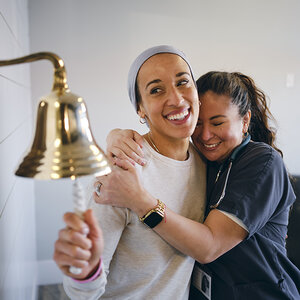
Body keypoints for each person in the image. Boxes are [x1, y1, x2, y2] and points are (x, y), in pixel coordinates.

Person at [100, 71, 300, 299]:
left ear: (245, 121)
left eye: (217, 122)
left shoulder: (263, 162)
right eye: (198, 124)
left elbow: (209, 247)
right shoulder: (201, 159)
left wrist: (140, 201)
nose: (205, 136)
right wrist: (116, 136)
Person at [53, 45, 207, 299]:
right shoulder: (122, 169)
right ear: (140, 109)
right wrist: (84, 271)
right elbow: (81, 292)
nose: (177, 99)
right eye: (156, 90)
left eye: (183, 82)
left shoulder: (206, 161)